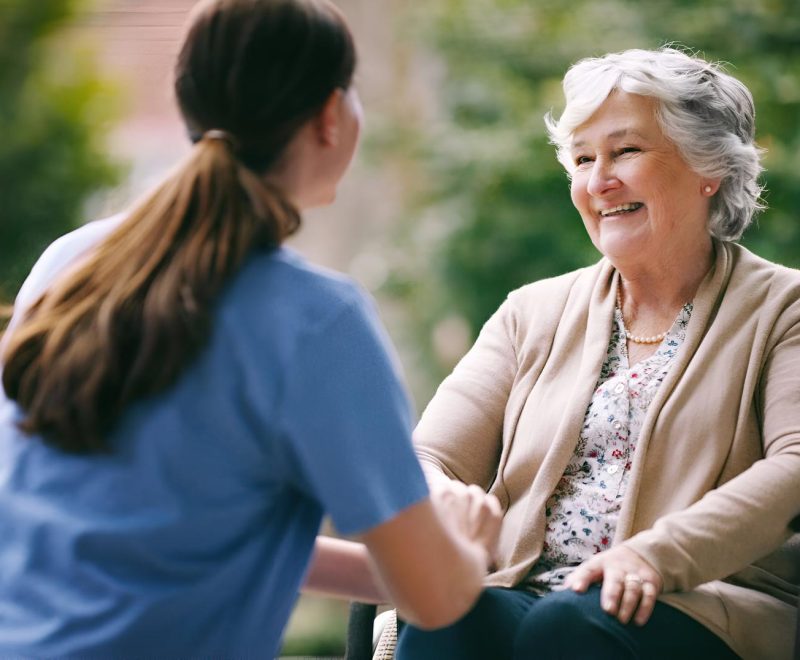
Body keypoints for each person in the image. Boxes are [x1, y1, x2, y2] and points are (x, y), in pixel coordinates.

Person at [0, 0, 501, 657]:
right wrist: (467, 550)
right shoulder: (319, 322)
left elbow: (166, 532)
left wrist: (399, 569)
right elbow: (438, 598)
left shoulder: (71, 262)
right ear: (330, 116)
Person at [396, 47, 800, 660]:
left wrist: (654, 555)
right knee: (449, 617)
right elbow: (429, 456)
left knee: (569, 628)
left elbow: (795, 466)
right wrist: (444, 498)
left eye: (625, 152)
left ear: (707, 167)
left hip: (700, 601)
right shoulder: (530, 311)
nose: (597, 181)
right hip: (527, 590)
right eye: (583, 160)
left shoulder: (783, 309)